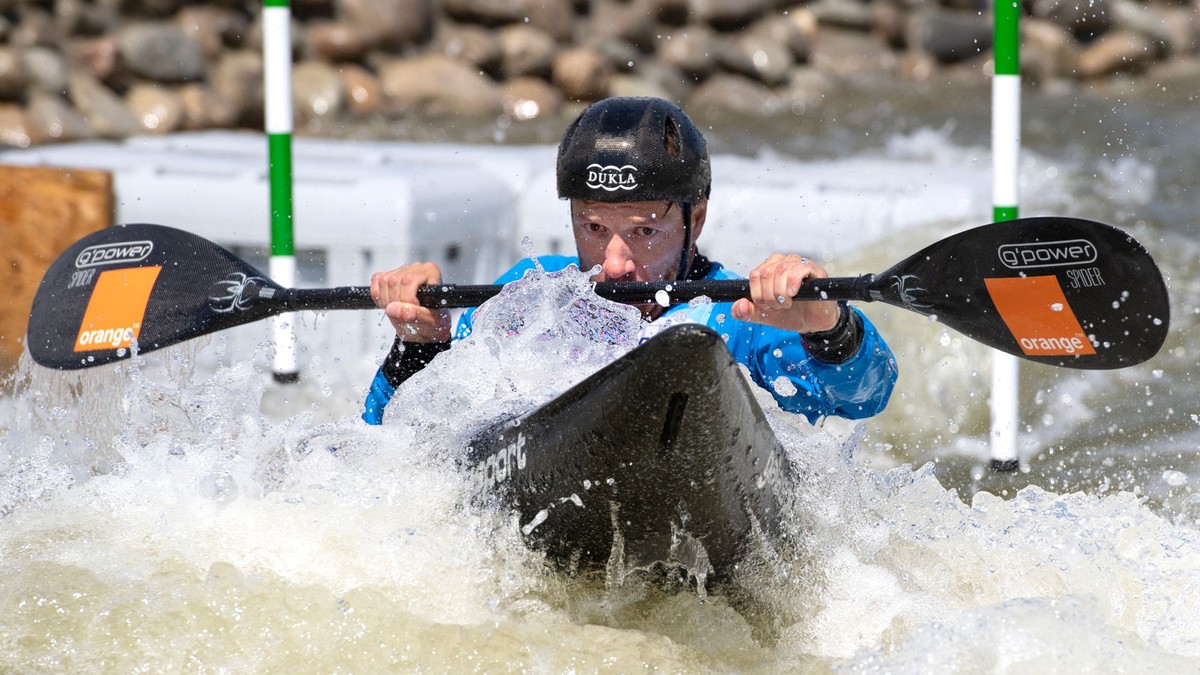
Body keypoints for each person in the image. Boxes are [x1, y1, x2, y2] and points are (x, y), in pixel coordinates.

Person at [363, 97, 897, 425]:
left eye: (644, 231)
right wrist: (419, 348)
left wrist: (828, 326)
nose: (615, 264)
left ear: (698, 219)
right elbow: (389, 432)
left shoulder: (743, 316)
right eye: (594, 228)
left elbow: (867, 399)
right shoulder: (533, 293)